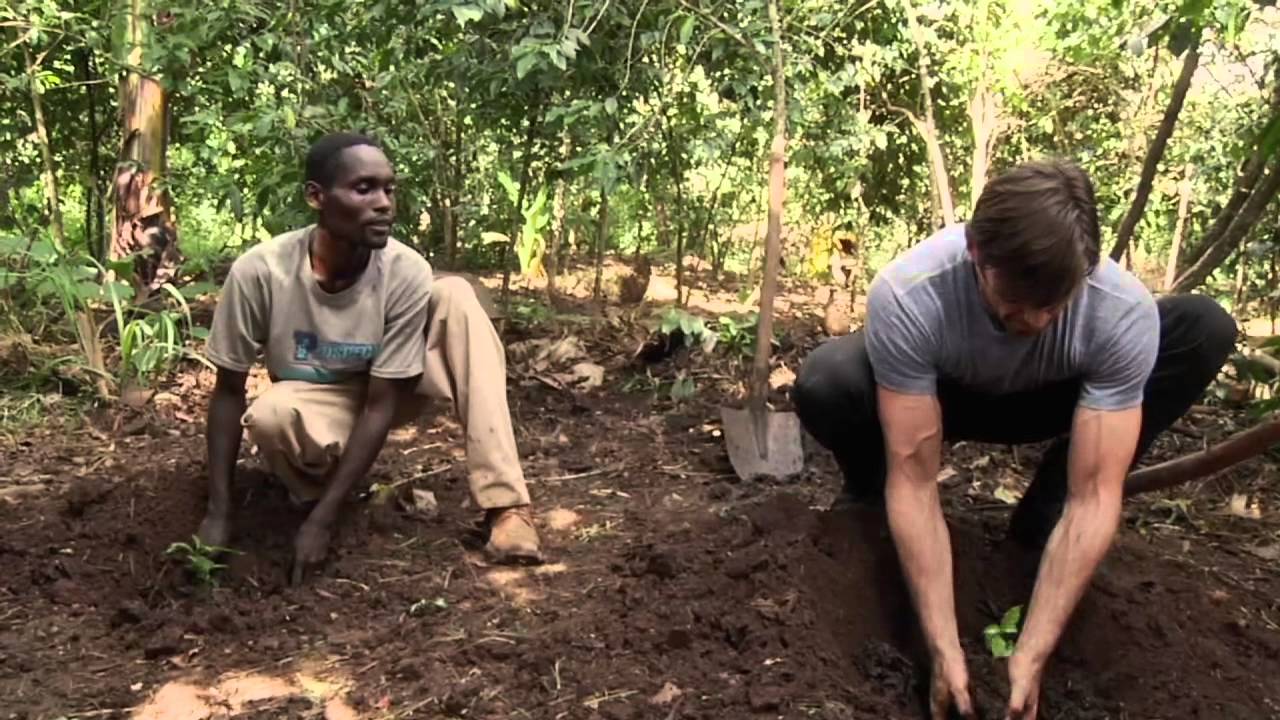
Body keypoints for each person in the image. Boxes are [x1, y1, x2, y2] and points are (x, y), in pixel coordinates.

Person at [790, 160, 1236, 720]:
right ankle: (865, 502)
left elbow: (1095, 496)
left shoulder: (1119, 311)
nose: (1037, 320)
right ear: (977, 252)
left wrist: (1032, 650)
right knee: (829, 380)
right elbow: (916, 477)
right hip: (946, 395)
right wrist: (943, 645)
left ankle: (1039, 517)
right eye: (1019, 299)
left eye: (1055, 303)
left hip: (1056, 398)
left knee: (1204, 325)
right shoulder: (911, 294)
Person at [198, 132, 542, 584]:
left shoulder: (404, 270)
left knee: (456, 295)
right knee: (269, 415)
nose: (384, 204)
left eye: (389, 189)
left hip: (395, 387)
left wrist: (323, 523)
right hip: (317, 399)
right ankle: (320, 490)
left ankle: (507, 506)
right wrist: (218, 511)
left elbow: (381, 403)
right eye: (364, 189)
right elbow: (228, 393)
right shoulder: (261, 271)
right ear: (316, 197)